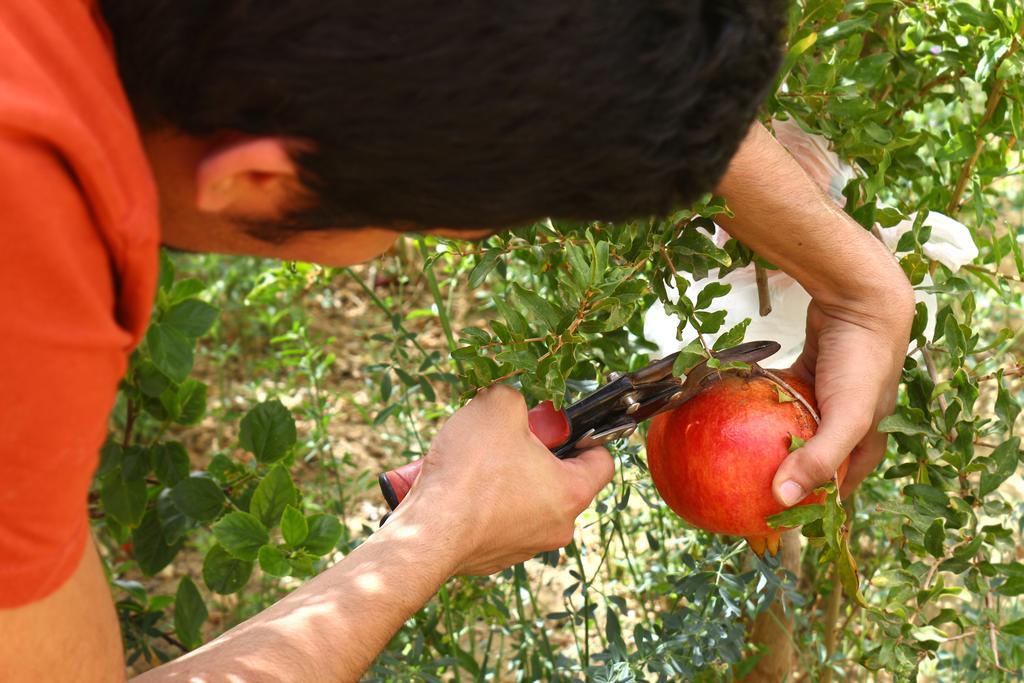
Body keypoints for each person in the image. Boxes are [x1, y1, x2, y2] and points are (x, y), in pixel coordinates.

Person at [0, 1, 914, 681]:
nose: (466, 236)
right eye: (436, 226)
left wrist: (856, 280)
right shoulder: (28, 277)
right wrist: (434, 538)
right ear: (255, 181)